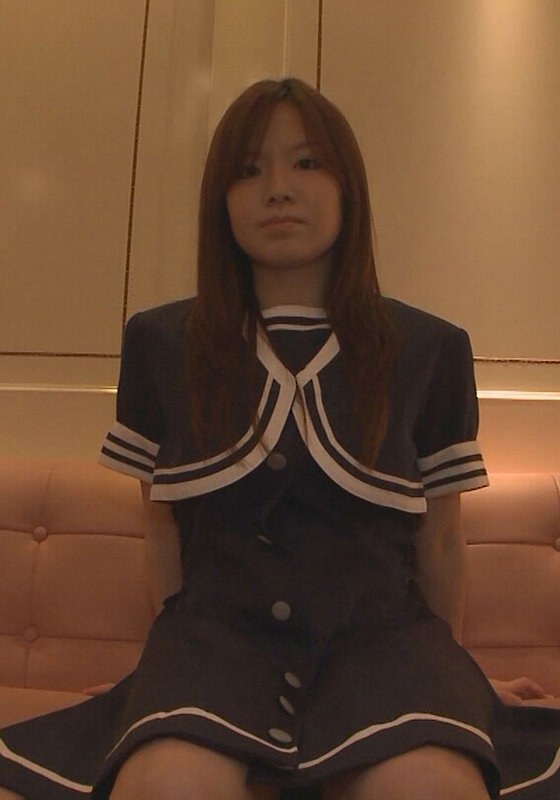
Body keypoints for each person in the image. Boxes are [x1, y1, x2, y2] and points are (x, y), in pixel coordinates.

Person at [0, 77, 558, 800]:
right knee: (168, 783)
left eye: (307, 163)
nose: (279, 189)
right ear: (220, 198)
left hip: (385, 642)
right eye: (249, 169)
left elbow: (442, 542)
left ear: (348, 186)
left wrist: (456, 679)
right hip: (214, 640)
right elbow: (162, 528)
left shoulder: (430, 348)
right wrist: (162, 673)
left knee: (431, 785)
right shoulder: (160, 343)